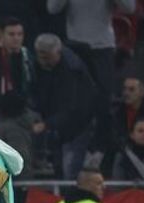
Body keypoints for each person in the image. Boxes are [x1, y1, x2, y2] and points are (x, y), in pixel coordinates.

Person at [47, 0, 137, 151]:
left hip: (103, 47)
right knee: (75, 100)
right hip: (76, 46)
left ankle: (102, 146)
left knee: (104, 100)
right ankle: (72, 145)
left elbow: (129, 7)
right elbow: (52, 8)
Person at [31, 33, 96, 179]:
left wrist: (47, 124)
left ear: (58, 52)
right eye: (41, 57)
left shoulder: (72, 70)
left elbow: (73, 107)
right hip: (58, 127)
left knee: (70, 170)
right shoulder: (41, 66)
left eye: (47, 58)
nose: (43, 61)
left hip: (77, 127)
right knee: (59, 168)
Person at [0, 17, 34, 123]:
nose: (16, 38)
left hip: (27, 114)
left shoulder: (28, 58)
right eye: (11, 34)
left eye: (19, 34)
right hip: (1, 117)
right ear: (2, 36)